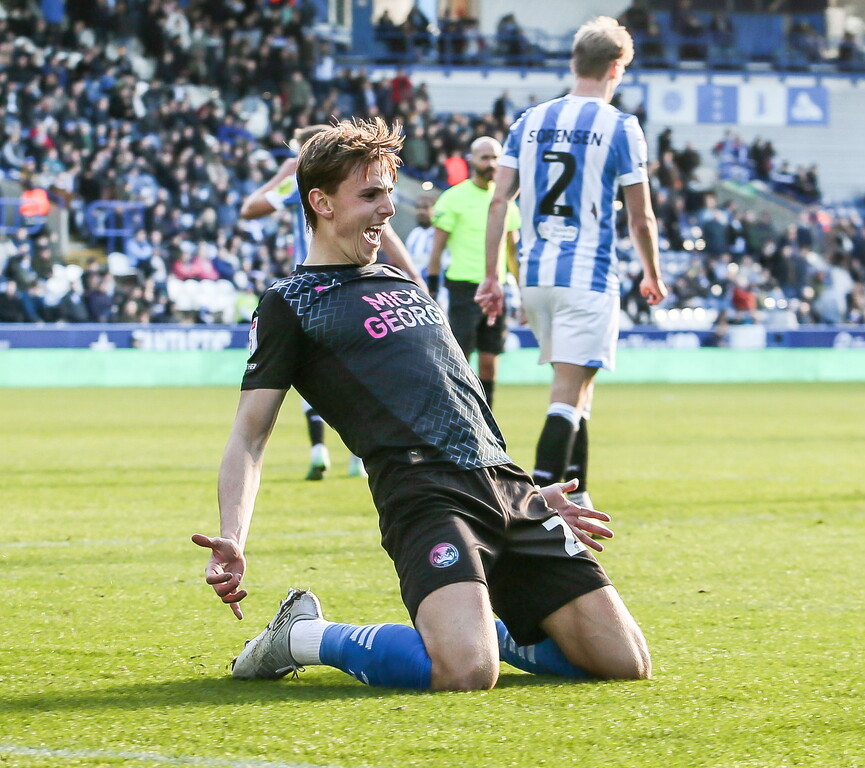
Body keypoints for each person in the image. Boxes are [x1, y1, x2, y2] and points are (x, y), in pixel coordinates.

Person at [192, 117, 651, 692]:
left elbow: (461, 400)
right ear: (321, 203)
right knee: (465, 672)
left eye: (389, 192)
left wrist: (528, 488)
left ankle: (486, 626)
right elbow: (249, 435)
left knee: (624, 662)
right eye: (371, 195)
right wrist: (234, 533)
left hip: (508, 487)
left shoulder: (405, 284)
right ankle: (303, 635)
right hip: (424, 494)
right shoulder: (292, 304)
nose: (389, 208)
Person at [477, 16, 666, 508]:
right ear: (617, 68)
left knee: (580, 387)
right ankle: (530, 509)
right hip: (587, 276)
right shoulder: (621, 127)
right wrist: (652, 271)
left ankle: (580, 497)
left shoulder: (529, 121)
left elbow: (499, 204)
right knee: (567, 392)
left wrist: (493, 276)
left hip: (537, 279)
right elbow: (641, 218)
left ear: (573, 63)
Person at [240, 124, 425, 481]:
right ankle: (360, 453)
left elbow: (250, 208)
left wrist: (284, 172)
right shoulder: (351, 186)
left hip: (313, 283)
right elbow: (385, 232)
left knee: (312, 367)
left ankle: (319, 449)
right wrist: (414, 277)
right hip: (359, 281)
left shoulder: (301, 182)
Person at [427, 136, 520, 407]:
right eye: (485, 157)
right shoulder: (453, 198)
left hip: (496, 290)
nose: (491, 163)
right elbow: (437, 250)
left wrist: (521, 287)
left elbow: (513, 251)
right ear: (472, 160)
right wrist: (432, 288)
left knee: (490, 360)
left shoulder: (506, 201)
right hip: (463, 288)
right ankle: (459, 413)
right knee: (461, 359)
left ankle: (487, 417)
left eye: (495, 158)